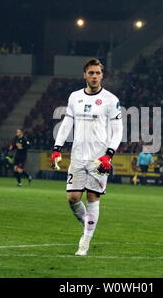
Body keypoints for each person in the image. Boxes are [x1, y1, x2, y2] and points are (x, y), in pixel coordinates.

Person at [51, 58, 123, 256]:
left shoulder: (111, 99)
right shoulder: (75, 97)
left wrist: (109, 154)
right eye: (91, 73)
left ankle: (85, 242)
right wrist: (57, 147)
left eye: (98, 73)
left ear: (102, 75)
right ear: (85, 75)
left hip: (98, 158)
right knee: (72, 198)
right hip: (77, 156)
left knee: (92, 197)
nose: (94, 76)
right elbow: (67, 124)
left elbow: (118, 130)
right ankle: (88, 225)